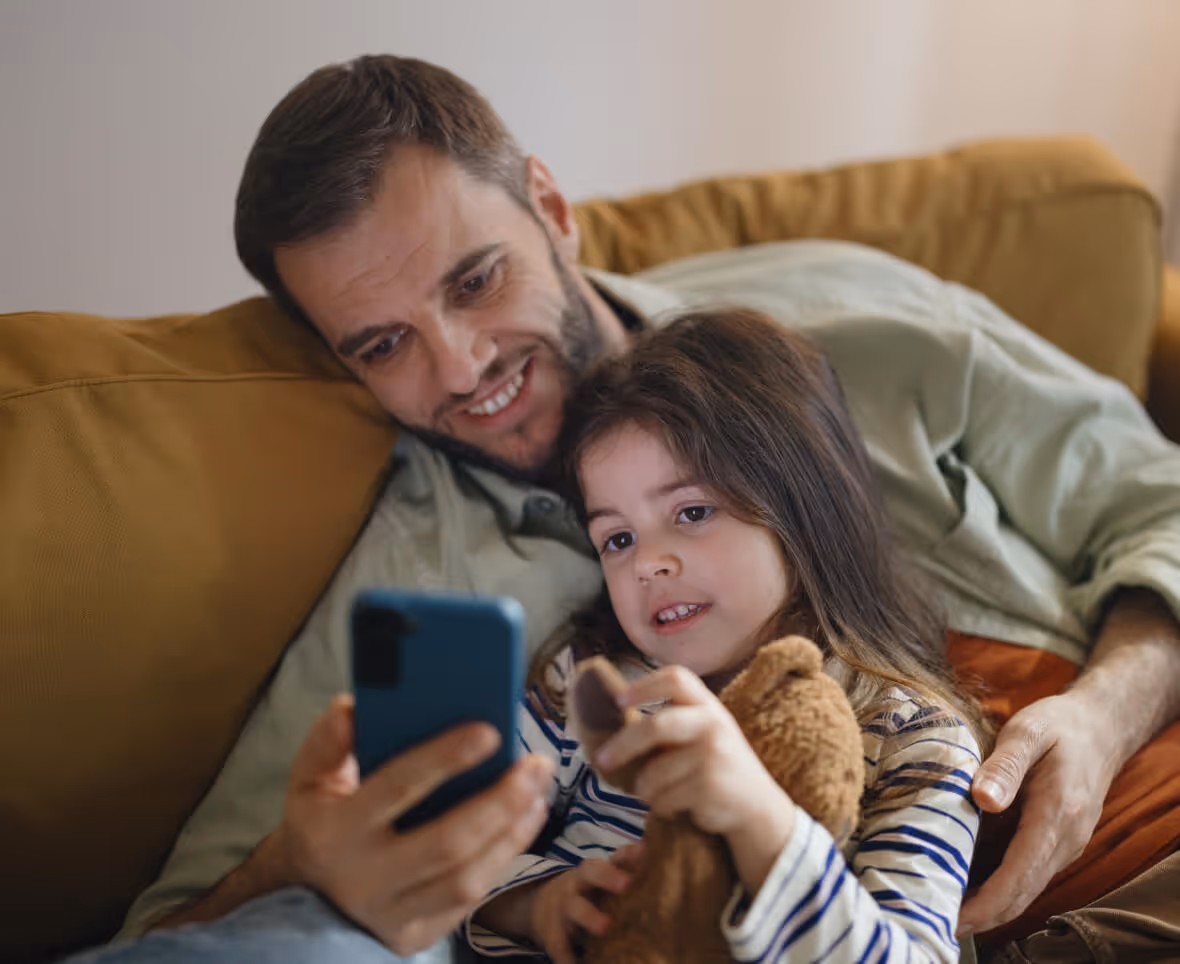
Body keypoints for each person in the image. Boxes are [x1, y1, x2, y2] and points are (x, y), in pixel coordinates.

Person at [73, 54, 1180, 963]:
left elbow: (1157, 495)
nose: (460, 368)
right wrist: (393, 879)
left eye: (472, 281)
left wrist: (1105, 709)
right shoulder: (438, 611)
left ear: (553, 211)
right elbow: (186, 927)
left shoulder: (854, 315)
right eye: (382, 344)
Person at [468, 308, 990, 964]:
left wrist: (759, 820)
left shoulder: (916, 741)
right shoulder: (593, 681)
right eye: (618, 538)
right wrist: (533, 901)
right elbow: (450, 845)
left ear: (800, 508)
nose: (648, 562)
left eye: (691, 512)